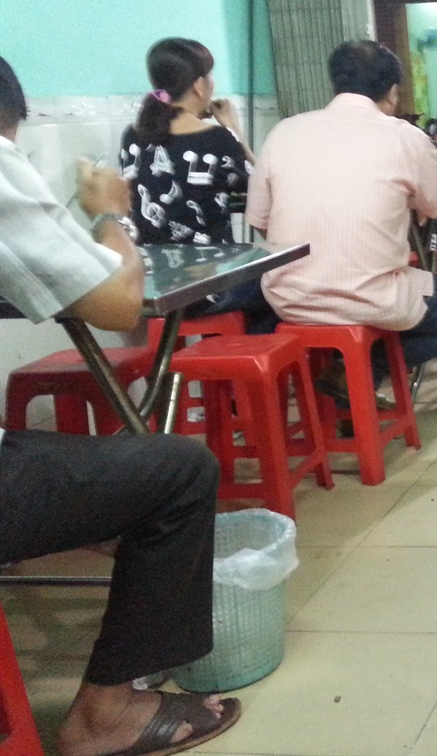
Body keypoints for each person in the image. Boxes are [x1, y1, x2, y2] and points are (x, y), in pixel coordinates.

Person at [0, 55, 240, 756]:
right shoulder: (218, 139)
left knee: (79, 461)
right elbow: (117, 303)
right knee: (180, 469)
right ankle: (107, 715)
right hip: (186, 284)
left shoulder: (139, 136)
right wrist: (109, 213)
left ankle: (114, 531)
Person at [245, 41, 437, 397]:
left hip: (290, 297)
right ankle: (364, 368)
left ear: (336, 83)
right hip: (373, 298)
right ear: (392, 92)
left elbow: (260, 221)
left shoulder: (284, 132)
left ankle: (345, 375)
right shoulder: (404, 136)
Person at [120, 37, 254, 246]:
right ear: (199, 85)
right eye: (210, 74)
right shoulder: (219, 139)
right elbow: (255, 200)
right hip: (213, 263)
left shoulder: (133, 135)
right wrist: (235, 130)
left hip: (149, 263)